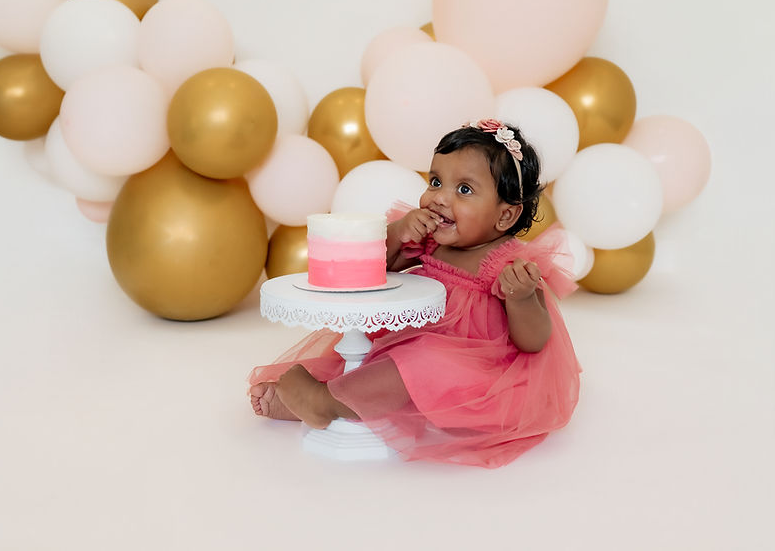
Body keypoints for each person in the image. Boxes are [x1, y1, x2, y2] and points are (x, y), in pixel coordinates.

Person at [249, 119, 581, 468]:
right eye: (436, 181)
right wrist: (398, 233)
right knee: (364, 355)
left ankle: (322, 401)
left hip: (473, 369)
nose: (440, 198)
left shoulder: (510, 265)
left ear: (505, 215)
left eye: (464, 190)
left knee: (413, 366)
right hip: (408, 341)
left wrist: (521, 297)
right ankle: (311, 398)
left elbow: (534, 340)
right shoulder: (429, 237)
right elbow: (379, 270)